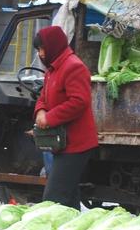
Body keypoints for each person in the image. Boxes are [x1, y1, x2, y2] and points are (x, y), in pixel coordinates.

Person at [33, 26, 98, 210]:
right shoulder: (52, 69)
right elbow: (43, 97)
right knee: (68, 198)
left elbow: (79, 102)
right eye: (38, 50)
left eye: (41, 49)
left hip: (76, 145)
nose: (40, 54)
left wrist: (50, 118)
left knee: (53, 198)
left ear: (53, 46)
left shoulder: (73, 67)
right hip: (61, 143)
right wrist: (40, 111)